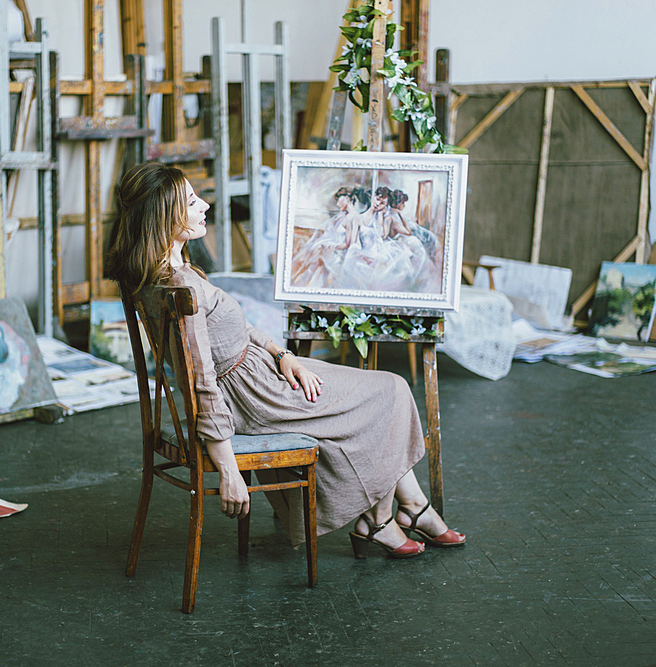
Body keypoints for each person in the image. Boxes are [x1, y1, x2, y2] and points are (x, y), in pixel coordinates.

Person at [107, 162, 465, 559]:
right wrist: (229, 469)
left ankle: (409, 509)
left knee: (375, 389)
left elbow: (233, 328)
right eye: (192, 202)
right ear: (166, 217)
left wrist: (284, 355)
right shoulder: (180, 286)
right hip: (254, 396)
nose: (205, 206)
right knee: (391, 390)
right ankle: (386, 518)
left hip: (260, 372)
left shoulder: (167, 273)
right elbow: (201, 382)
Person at [290, 187, 359, 288]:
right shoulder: (341, 215)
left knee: (319, 263)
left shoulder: (351, 218)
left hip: (338, 253)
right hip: (329, 250)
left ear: (348, 199)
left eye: (339, 200)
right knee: (311, 258)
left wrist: (332, 247)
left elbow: (349, 243)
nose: (337, 204)